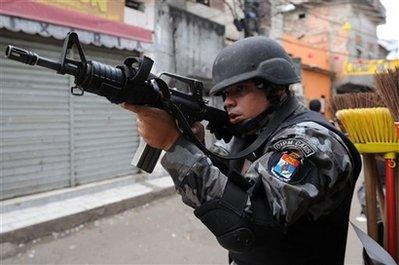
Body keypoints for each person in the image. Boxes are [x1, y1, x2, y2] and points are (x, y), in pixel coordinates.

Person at [123, 36, 361, 265]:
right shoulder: (250, 134)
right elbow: (227, 190)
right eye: (226, 94)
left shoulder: (312, 140)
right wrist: (192, 144)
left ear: (275, 89)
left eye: (239, 90)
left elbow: (250, 225)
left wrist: (173, 144)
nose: (228, 101)